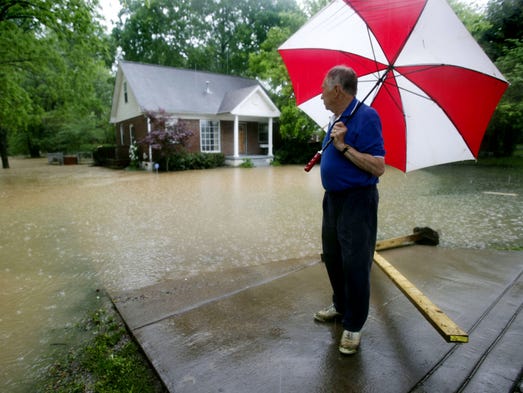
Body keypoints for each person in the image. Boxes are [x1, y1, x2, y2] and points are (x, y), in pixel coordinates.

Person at [314, 65, 385, 355]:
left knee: (355, 263)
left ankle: (353, 325)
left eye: (323, 89)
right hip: (333, 200)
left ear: (337, 90)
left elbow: (378, 166)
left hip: (358, 200)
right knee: (332, 256)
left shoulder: (367, 117)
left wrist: (342, 146)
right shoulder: (337, 118)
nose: (320, 95)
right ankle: (341, 306)